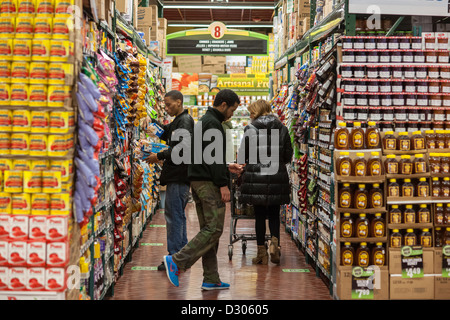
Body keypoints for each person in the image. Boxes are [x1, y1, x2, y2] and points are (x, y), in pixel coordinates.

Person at [163, 89, 243, 290]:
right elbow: (212, 158)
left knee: (208, 230)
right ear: (223, 105)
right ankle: (177, 261)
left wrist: (226, 166)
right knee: (214, 229)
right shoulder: (213, 124)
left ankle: (210, 277)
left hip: (198, 180)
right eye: (232, 110)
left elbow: (206, 156)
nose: (232, 114)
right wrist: (224, 183)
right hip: (208, 184)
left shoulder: (205, 121)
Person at [236, 99, 293, 265]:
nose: (250, 116)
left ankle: (261, 253)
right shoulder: (282, 128)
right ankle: (275, 245)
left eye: (251, 112)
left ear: (257, 112)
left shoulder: (251, 129)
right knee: (274, 214)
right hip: (277, 175)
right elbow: (288, 155)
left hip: (256, 177)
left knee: (259, 215)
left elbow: (242, 155)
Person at [145, 90, 194, 271]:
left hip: (178, 175)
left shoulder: (185, 122)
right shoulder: (178, 121)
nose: (166, 108)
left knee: (174, 217)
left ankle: (174, 258)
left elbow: (181, 150)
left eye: (169, 104)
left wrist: (159, 155)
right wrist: (152, 124)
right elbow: (168, 134)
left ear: (179, 102)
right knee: (177, 216)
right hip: (177, 175)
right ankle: (182, 256)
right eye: (164, 105)